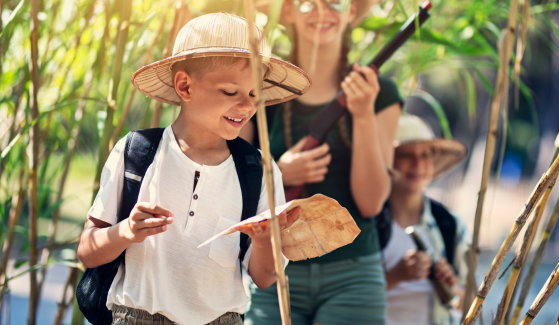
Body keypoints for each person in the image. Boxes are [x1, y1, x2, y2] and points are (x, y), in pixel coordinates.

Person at [77, 13, 311, 325]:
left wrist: (265, 239)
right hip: (136, 317)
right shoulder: (136, 154)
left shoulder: (259, 171)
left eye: (255, 94)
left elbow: (266, 278)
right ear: (185, 86)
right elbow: (87, 251)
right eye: (231, 92)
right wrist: (127, 231)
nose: (247, 106)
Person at [243, 0, 402, 324]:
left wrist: (362, 114)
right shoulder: (258, 89)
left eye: (335, 2)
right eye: (307, 3)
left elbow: (371, 203)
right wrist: (279, 173)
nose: (322, 12)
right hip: (271, 269)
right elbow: (233, 182)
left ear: (353, 11)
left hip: (355, 276)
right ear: (287, 11)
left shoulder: (381, 93)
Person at [381, 114, 469, 325]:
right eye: (405, 155)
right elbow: (348, 299)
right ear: (387, 160)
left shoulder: (450, 225)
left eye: (425, 155)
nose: (417, 163)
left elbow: (470, 304)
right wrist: (396, 275)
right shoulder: (367, 224)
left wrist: (448, 285)